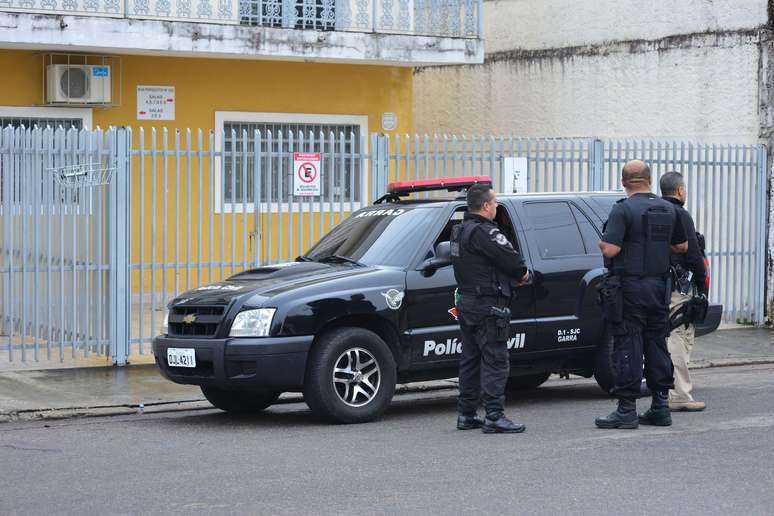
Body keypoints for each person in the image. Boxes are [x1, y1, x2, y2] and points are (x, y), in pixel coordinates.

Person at [595, 160, 688, 429]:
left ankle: (626, 410)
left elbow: (610, 250)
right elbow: (681, 245)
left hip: (630, 289)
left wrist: (603, 242)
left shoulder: (623, 210)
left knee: (628, 345)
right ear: (649, 179)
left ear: (624, 182)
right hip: (660, 289)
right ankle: (660, 407)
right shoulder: (670, 209)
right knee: (657, 344)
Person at [451, 183, 530, 434]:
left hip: (467, 303)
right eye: (494, 202)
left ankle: (466, 414)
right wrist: (523, 274)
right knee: (495, 359)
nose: (496, 205)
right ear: (485, 206)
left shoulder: (459, 231)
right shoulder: (486, 232)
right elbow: (515, 264)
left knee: (470, 359)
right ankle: (494, 415)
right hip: (488, 306)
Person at [660, 171, 707, 412]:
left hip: (655, 286)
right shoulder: (680, 214)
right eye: (685, 189)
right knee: (679, 337)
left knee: (662, 338)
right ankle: (679, 394)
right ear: (680, 191)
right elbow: (693, 255)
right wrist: (703, 286)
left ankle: (664, 393)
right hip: (678, 287)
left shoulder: (655, 212)